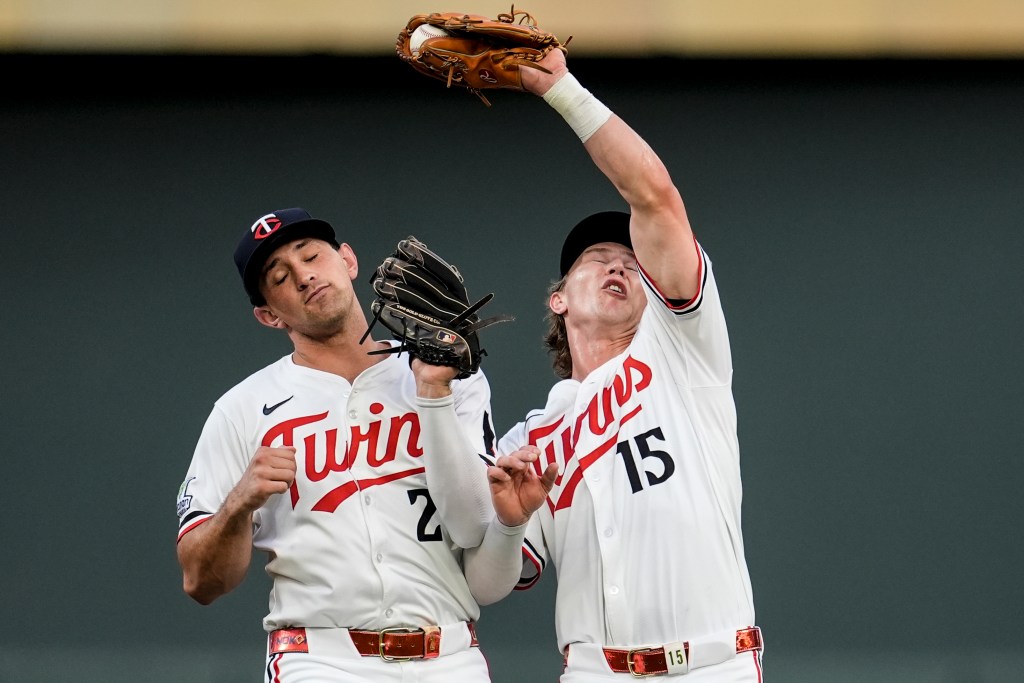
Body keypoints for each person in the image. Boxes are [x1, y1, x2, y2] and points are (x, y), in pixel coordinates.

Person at [417, 49, 765, 681]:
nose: (620, 263)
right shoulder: (531, 441)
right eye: (597, 256)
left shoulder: (682, 349)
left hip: (711, 666)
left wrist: (562, 91)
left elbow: (655, 197)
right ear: (558, 298)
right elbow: (487, 586)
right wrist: (508, 523)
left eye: (632, 257)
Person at [174, 207, 551, 683]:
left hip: (449, 654)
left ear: (348, 260)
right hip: (320, 659)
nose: (305, 274)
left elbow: (475, 527)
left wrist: (434, 392)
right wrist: (237, 506)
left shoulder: (448, 374)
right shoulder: (243, 408)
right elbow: (200, 581)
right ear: (268, 315)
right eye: (281, 277)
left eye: (312, 255)